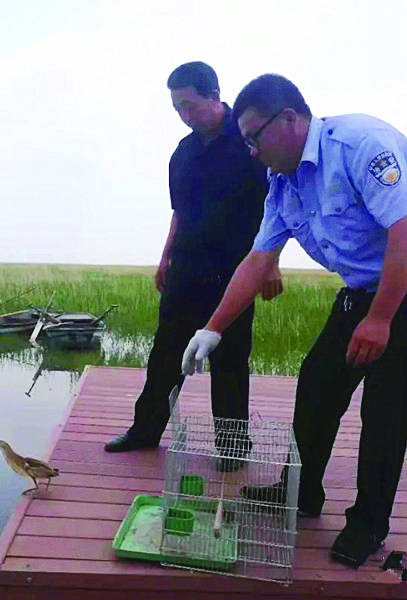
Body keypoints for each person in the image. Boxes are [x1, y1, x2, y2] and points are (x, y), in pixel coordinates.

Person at [181, 73, 407, 567]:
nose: (251, 151)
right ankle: (299, 492)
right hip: (368, 281)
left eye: (254, 137)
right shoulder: (282, 186)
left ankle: (367, 525)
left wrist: (380, 320)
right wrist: (213, 328)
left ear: (291, 120)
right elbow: (258, 259)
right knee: (319, 378)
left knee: (385, 403)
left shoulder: (362, 144)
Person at [104, 62, 279, 470]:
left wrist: (271, 264)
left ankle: (232, 447)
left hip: (236, 271)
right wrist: (165, 256)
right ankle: (146, 430)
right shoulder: (183, 153)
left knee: (230, 359)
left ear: (214, 96)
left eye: (189, 104)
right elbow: (179, 210)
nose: (183, 114)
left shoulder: (251, 143)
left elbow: (278, 207)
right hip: (186, 267)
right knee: (165, 351)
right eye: (177, 107)